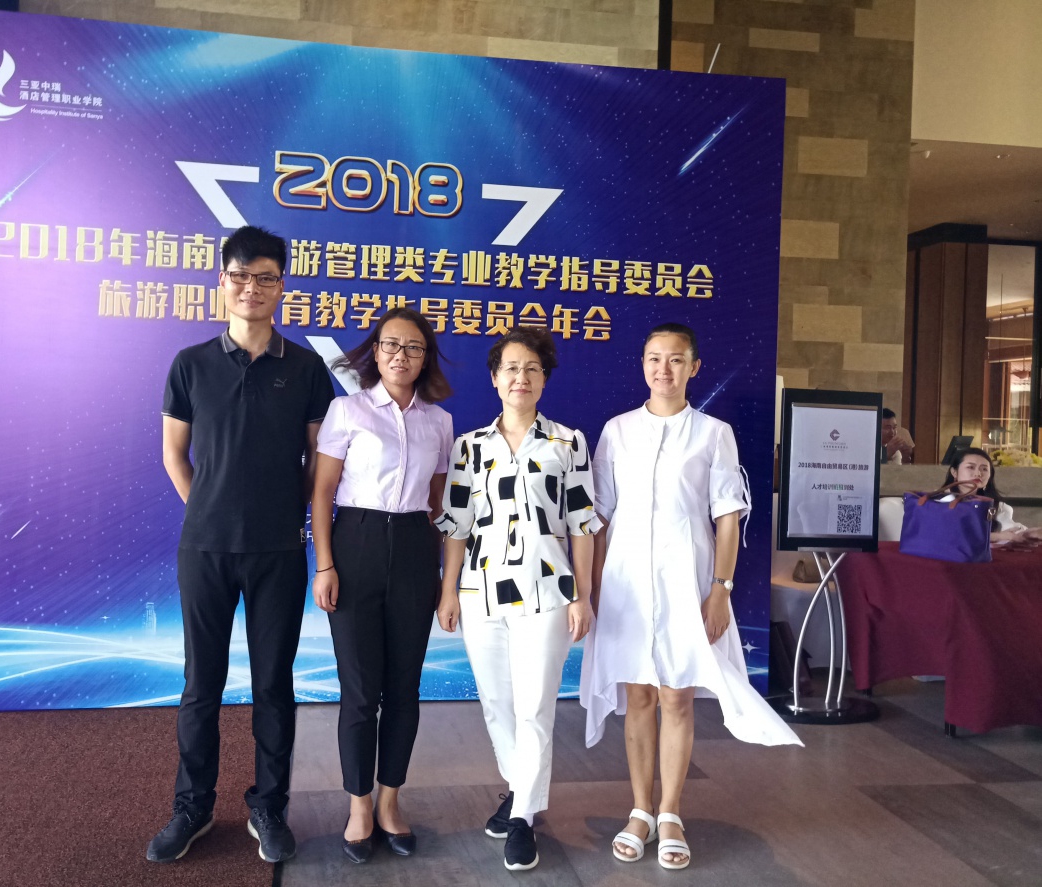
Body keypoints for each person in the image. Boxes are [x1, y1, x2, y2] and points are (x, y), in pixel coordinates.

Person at [579, 322, 801, 872]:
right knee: (639, 696)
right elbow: (598, 515)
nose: (664, 369)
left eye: (675, 359)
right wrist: (594, 587)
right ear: (643, 365)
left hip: (688, 580)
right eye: (654, 358)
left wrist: (720, 590)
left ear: (694, 367)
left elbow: (727, 516)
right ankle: (640, 810)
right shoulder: (617, 431)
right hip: (626, 583)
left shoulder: (713, 433)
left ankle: (671, 812)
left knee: (677, 695)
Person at [147, 225, 335, 864]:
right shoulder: (190, 364)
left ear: (282, 286)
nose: (252, 287)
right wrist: (208, 510)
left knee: (273, 684)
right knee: (201, 684)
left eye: (265, 277)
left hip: (278, 551)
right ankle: (193, 806)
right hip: (204, 550)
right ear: (222, 281)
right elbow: (175, 455)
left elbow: (318, 461)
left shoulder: (305, 368)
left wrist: (288, 517)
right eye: (240, 276)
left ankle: (269, 806)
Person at [435, 327, 600, 873]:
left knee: (534, 707)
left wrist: (582, 595)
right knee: (497, 703)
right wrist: (448, 591)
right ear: (494, 378)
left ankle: (523, 816)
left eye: (531, 368)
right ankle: (518, 787)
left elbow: (582, 524)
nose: (520, 378)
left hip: (547, 592)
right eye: (510, 368)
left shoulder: (568, 442)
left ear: (544, 378)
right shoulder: (470, 446)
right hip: (480, 593)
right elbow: (456, 525)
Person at [311, 308, 454, 863]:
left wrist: (445, 577)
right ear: (375, 351)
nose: (401, 355)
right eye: (392, 344)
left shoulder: (439, 422)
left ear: (426, 358)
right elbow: (323, 492)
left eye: (414, 347)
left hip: (415, 550)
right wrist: (325, 565)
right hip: (356, 546)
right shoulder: (346, 410)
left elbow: (439, 504)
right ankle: (359, 806)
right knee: (359, 690)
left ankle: (391, 801)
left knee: (403, 689)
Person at [943, 447, 1042, 542]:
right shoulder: (941, 502)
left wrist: (1028, 533)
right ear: (954, 472)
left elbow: (1010, 529)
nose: (978, 473)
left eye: (984, 469)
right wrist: (996, 536)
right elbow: (950, 535)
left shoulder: (993, 505)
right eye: (971, 467)